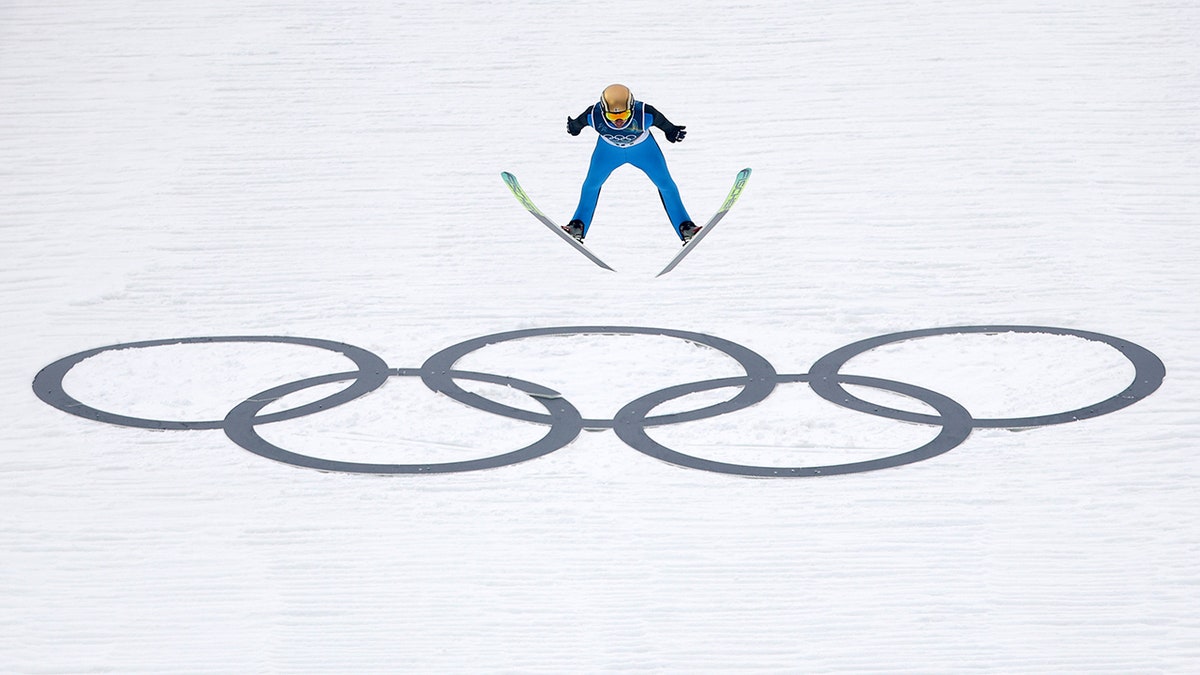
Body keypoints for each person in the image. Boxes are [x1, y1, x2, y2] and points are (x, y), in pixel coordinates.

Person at [564, 84, 697, 244]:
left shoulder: (645, 113)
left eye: (624, 114)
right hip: (608, 152)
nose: (619, 121)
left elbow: (666, 126)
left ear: (632, 109)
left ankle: (686, 227)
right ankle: (577, 226)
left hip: (644, 151)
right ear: (603, 111)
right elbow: (577, 125)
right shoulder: (593, 114)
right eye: (612, 117)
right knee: (591, 184)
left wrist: (672, 132)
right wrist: (573, 127)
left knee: (666, 184)